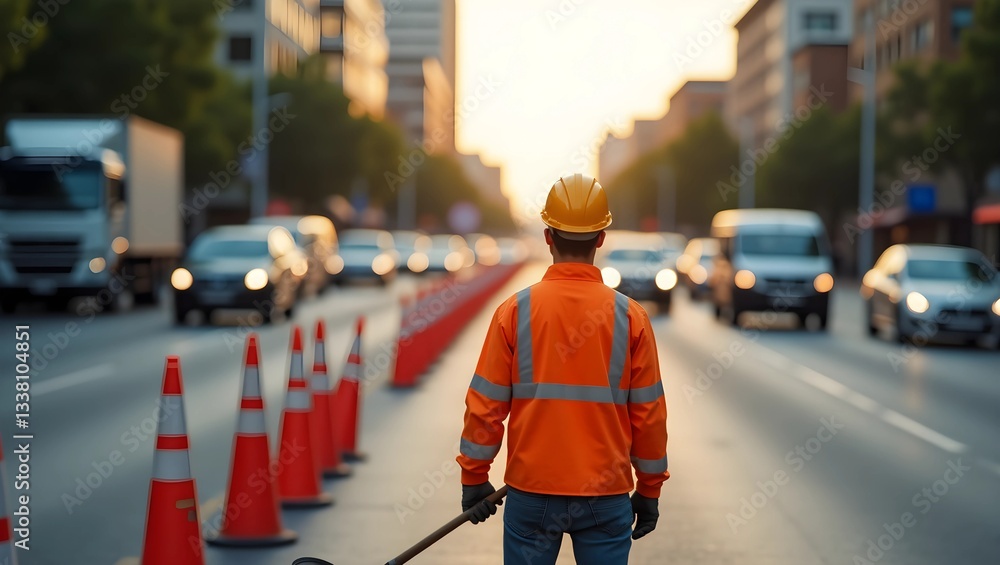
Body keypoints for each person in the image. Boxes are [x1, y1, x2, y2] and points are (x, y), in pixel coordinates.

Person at [457, 174, 669, 565]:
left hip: (532, 493)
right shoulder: (630, 317)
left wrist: (474, 477)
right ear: (601, 237)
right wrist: (650, 489)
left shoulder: (515, 312)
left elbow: (485, 406)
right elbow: (649, 416)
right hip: (606, 497)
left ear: (547, 235)